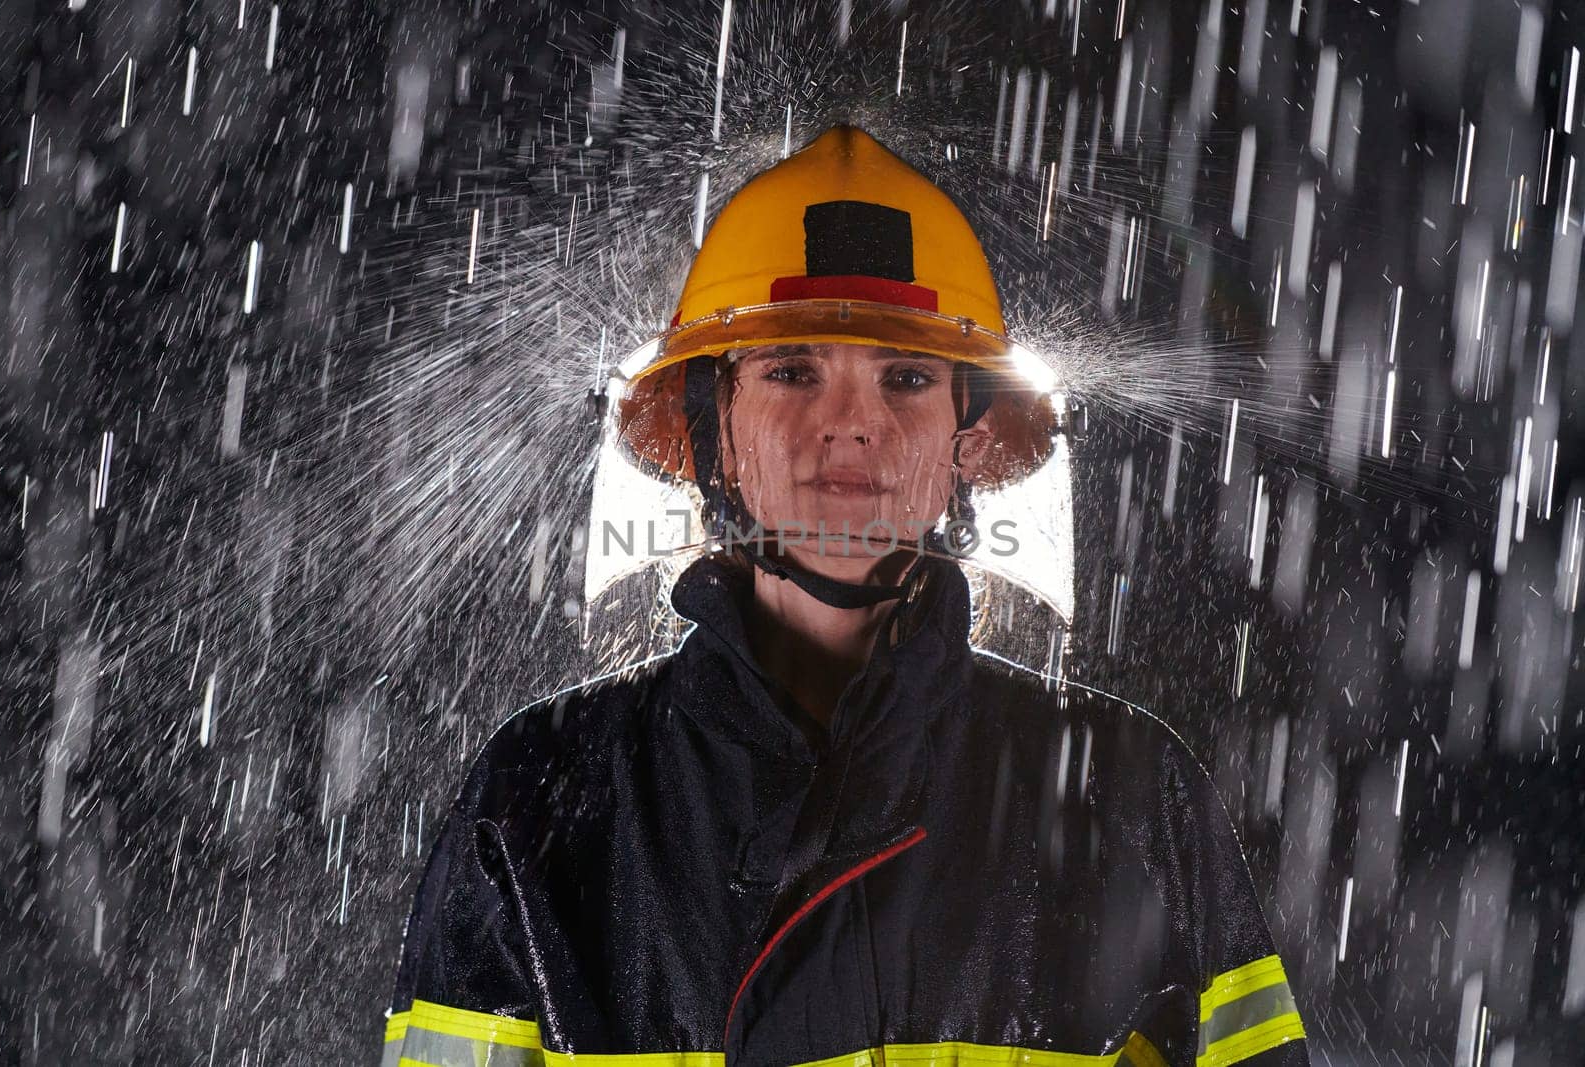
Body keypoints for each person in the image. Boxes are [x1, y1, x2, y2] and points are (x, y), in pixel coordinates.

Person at [381, 125, 1310, 1067]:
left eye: (906, 378)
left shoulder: (1132, 794)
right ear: (712, 429)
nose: (854, 424)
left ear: (970, 442)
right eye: (792, 371)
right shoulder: (541, 799)